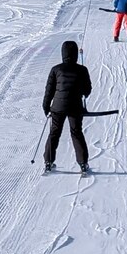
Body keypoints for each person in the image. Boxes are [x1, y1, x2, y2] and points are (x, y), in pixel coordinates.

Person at [42, 40, 94, 174]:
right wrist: (81, 91)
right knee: (76, 132)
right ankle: (83, 164)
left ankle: (48, 162)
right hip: (75, 107)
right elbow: (87, 90)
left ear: (63, 53)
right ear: (76, 54)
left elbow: (49, 90)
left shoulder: (56, 69)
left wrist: (46, 106)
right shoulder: (82, 70)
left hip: (57, 107)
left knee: (54, 132)